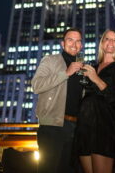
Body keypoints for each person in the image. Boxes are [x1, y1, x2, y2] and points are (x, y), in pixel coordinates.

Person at [74, 29, 115, 173]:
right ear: (102, 42)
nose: (111, 42)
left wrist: (96, 79)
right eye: (107, 39)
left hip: (104, 127)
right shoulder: (93, 66)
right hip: (84, 127)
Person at [32, 28, 84, 173]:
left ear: (81, 45)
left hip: (76, 127)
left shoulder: (83, 67)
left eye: (78, 41)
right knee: (48, 169)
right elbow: (36, 85)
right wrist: (66, 73)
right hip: (52, 125)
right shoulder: (50, 60)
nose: (74, 44)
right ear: (62, 44)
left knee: (69, 170)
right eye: (70, 40)